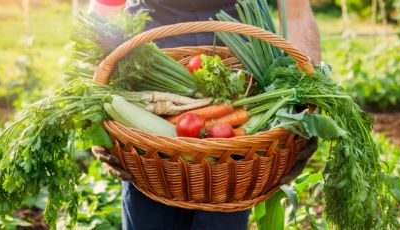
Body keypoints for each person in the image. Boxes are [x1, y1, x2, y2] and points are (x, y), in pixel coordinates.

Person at [89, 0, 320, 229]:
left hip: (240, 70)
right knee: (150, 201)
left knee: (223, 210)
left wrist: (305, 110)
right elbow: (104, 12)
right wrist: (96, 118)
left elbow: (295, 14)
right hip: (147, 68)